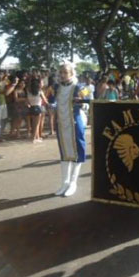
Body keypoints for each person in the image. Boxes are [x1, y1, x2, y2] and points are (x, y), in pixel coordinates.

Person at [54, 63, 87, 197]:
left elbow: (86, 101)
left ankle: (73, 182)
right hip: (61, 123)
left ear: (72, 73)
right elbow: (52, 100)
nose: (62, 75)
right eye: (61, 72)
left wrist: (82, 100)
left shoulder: (78, 87)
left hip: (74, 123)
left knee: (77, 151)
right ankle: (65, 183)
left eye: (65, 72)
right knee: (64, 151)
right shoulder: (56, 88)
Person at [27, 77, 48, 143]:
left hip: (31, 108)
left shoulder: (29, 92)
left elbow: (27, 101)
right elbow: (45, 101)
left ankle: (36, 137)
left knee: (33, 123)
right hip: (38, 108)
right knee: (37, 124)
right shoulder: (40, 92)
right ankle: (33, 138)